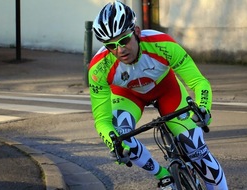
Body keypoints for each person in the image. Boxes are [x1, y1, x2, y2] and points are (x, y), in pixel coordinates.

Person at [88, 1, 228, 189]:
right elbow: (102, 120)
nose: (120, 50)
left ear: (136, 31)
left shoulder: (162, 44)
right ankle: (163, 175)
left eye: (124, 40)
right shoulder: (99, 68)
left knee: (196, 149)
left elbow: (198, 82)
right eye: (112, 45)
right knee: (121, 134)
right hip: (128, 96)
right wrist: (114, 144)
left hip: (166, 89)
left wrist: (204, 107)